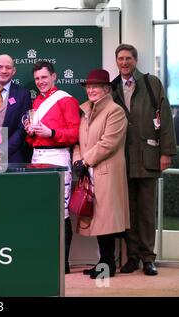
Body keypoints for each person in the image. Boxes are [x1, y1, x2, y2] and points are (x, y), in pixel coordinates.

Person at [111, 44, 177, 276]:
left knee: (147, 212)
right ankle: (133, 257)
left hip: (148, 157)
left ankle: (149, 258)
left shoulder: (151, 83)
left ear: (135, 60)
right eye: (120, 59)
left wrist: (166, 152)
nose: (125, 62)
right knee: (128, 212)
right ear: (116, 61)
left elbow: (166, 118)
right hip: (122, 160)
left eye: (128, 58)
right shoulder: (112, 88)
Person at [24, 61, 80, 274]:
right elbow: (34, 140)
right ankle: (45, 257)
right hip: (37, 157)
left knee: (61, 212)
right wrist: (30, 133)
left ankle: (62, 263)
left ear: (54, 76)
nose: (40, 82)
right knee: (42, 209)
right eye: (37, 78)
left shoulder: (66, 100)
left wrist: (53, 134)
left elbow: (75, 134)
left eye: (44, 77)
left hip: (58, 157)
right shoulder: (37, 101)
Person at [73, 69, 130, 279]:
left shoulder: (115, 111)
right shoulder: (86, 111)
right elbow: (79, 142)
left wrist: (85, 160)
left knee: (106, 221)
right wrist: (78, 160)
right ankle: (102, 262)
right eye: (88, 87)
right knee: (97, 219)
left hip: (106, 173)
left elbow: (108, 143)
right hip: (90, 171)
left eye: (95, 86)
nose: (91, 90)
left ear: (107, 89)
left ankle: (108, 264)